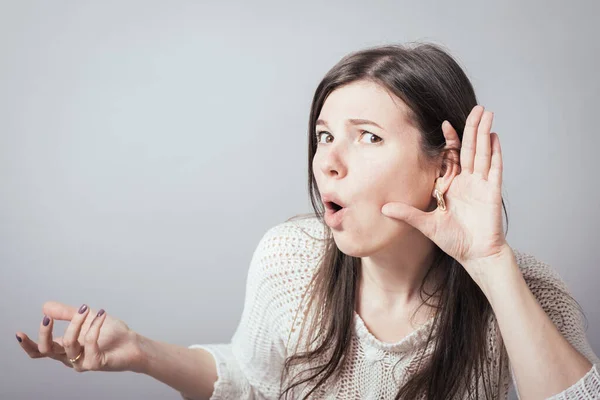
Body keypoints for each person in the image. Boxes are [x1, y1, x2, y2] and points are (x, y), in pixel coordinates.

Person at [16, 42, 600, 399]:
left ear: (444, 166)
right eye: (323, 136)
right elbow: (250, 381)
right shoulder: (290, 258)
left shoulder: (527, 291)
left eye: (366, 137)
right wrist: (140, 351)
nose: (329, 162)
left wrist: (491, 265)